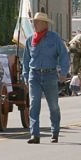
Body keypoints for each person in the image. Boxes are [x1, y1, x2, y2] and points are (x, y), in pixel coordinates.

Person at [22, 12, 70, 144]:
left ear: (45, 24)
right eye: (34, 22)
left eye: (37, 22)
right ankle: (34, 135)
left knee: (53, 105)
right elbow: (25, 60)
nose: (34, 24)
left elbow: (64, 55)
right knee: (34, 104)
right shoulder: (30, 40)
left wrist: (64, 72)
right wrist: (25, 76)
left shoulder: (54, 38)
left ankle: (55, 132)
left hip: (50, 75)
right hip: (34, 75)